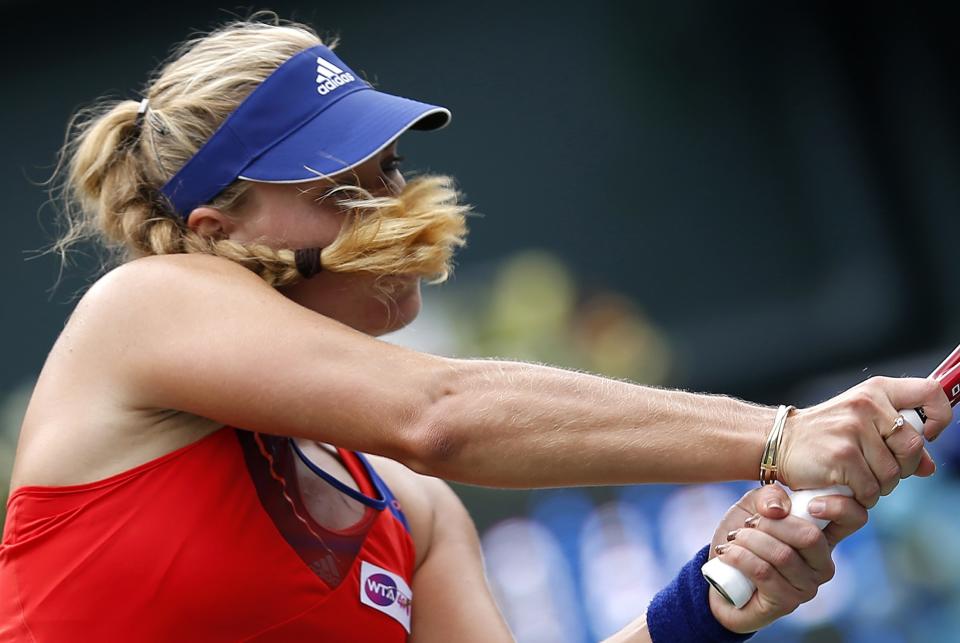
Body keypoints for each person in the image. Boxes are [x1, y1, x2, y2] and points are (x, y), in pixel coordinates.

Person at [0, 16, 950, 643]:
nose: (391, 206)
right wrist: (781, 437)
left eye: (387, 171)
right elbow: (441, 410)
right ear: (217, 231)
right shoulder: (147, 304)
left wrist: (714, 599)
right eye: (339, 186)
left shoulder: (410, 510)